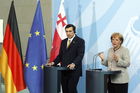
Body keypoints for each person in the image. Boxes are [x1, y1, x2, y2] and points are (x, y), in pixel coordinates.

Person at [47, 24, 85, 93]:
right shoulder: (63, 41)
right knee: (65, 90)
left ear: (74, 31)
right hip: (64, 70)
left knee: (71, 90)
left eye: (70, 31)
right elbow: (61, 55)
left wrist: (73, 63)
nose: (68, 33)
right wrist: (53, 62)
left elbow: (80, 55)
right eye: (66, 31)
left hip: (74, 70)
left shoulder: (80, 41)